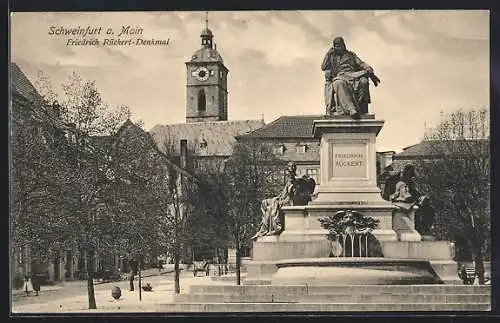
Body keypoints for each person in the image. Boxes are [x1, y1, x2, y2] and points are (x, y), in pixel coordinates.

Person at [321, 36, 380, 117]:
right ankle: (351, 109)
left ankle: (360, 109)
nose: (338, 48)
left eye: (339, 46)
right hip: (340, 77)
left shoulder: (351, 55)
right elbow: (323, 67)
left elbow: (361, 63)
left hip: (353, 76)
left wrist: (368, 68)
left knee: (364, 81)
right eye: (336, 46)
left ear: (343, 45)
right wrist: (328, 54)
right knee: (339, 83)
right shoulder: (332, 56)